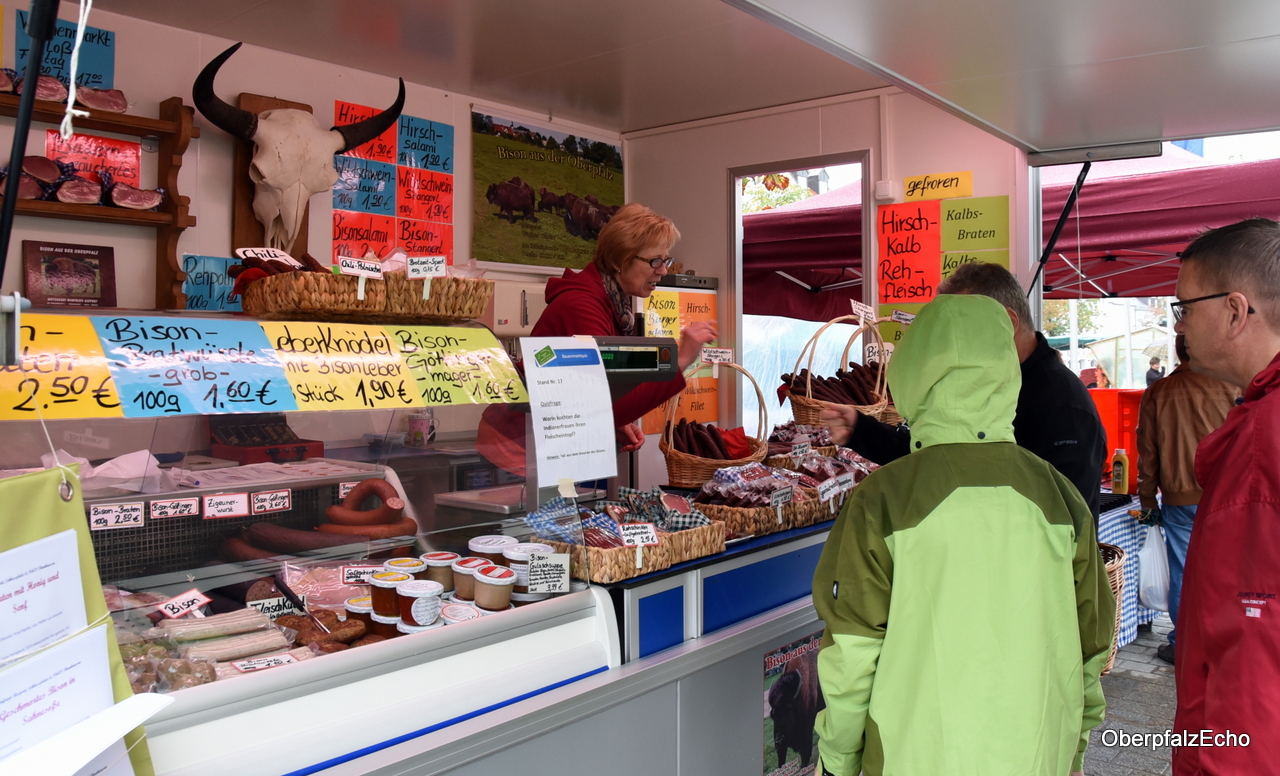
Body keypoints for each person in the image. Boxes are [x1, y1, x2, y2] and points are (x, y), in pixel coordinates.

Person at [811, 294, 1113, 776]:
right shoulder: (1059, 496)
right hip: (1038, 752)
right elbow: (1091, 644)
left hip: (914, 756)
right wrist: (1073, 747)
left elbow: (851, 652)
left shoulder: (882, 499)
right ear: (1005, 371)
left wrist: (839, 760)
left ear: (911, 372)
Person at [822, 262, 1108, 518]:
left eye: (961, 327)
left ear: (1006, 323)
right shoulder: (979, 384)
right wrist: (862, 430)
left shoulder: (1063, 406)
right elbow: (938, 454)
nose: (949, 342)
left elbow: (1067, 519)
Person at [477, 203, 717, 473]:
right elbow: (604, 403)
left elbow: (599, 394)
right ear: (618, 260)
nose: (663, 270)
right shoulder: (582, 306)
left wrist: (615, 422)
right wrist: (681, 358)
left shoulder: (613, 305)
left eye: (666, 260)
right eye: (654, 261)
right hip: (516, 446)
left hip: (548, 445)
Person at [1170, 218, 1280, 775]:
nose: (1181, 325)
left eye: (1185, 307)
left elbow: (1248, 640)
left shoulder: (1264, 442)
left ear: (1236, 312)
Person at [1134, 335, 1239, 666]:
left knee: (1184, 572)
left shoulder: (1159, 391)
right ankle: (1224, 642)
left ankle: (1184, 644)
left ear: (1178, 352)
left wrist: (1148, 499)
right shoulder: (1233, 385)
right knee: (1227, 570)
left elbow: (1147, 453)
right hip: (1227, 494)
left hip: (1179, 495)